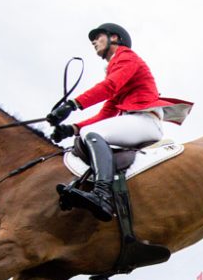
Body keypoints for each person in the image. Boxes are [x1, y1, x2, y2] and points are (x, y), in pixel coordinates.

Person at [46, 23, 191, 220]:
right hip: (136, 122)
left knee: (90, 134)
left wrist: (72, 104)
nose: (94, 42)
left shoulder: (126, 56)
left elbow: (110, 86)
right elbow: (106, 113)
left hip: (145, 121)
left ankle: (102, 194)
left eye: (98, 37)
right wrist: (71, 129)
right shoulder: (116, 66)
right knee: (87, 132)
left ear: (114, 38)